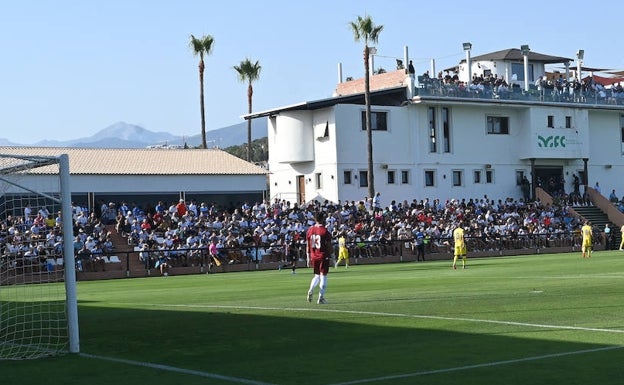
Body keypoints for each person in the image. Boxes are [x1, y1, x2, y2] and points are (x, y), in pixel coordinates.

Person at [306, 211, 332, 304]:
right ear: (322, 219)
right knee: (323, 276)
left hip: (313, 255)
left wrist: (308, 257)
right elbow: (329, 245)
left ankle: (311, 289)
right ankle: (321, 297)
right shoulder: (324, 231)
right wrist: (331, 255)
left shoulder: (310, 230)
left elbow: (308, 245)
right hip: (322, 255)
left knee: (316, 275)